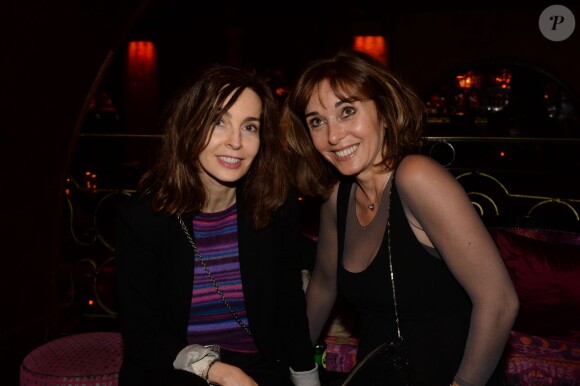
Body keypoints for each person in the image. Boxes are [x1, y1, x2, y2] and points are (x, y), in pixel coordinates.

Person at [281, 49, 519, 386]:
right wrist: (291, 364)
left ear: (384, 109)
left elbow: (499, 301)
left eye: (347, 111)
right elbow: (322, 285)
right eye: (317, 121)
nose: (333, 136)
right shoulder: (338, 197)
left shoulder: (417, 178)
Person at [116, 64, 320, 386]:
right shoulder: (145, 217)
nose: (236, 142)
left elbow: (288, 303)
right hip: (176, 368)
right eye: (218, 121)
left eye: (250, 127)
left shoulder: (275, 207)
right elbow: (142, 331)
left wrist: (307, 378)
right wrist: (216, 370)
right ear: (189, 127)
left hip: (260, 367)